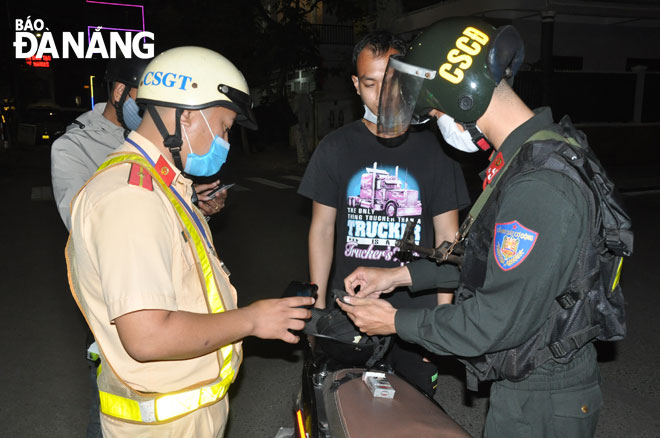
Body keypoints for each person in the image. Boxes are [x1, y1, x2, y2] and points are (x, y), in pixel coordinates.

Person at [338, 17, 628, 437]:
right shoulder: (531, 154)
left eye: (435, 111)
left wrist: (395, 322)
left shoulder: (538, 186)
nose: (438, 123)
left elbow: (493, 322)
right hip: (530, 377)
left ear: (464, 101)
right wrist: (397, 276)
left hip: (541, 395)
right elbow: (485, 260)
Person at [65, 46, 314, 437]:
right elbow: (147, 336)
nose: (226, 141)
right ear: (186, 114)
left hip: (181, 416)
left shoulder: (162, 184)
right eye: (224, 125)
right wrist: (253, 319)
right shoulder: (131, 198)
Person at [298, 30, 469, 396]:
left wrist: (438, 327)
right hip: (350, 312)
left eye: (392, 82)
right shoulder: (335, 148)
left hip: (414, 318)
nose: (383, 95)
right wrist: (320, 310)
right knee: (347, 412)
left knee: (414, 419)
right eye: (371, 84)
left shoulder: (438, 150)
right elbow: (322, 230)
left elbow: (447, 241)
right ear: (356, 85)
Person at [51, 58, 226, 232]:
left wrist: (190, 201)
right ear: (120, 92)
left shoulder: (159, 138)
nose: (154, 107)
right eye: (145, 99)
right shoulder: (72, 147)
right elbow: (84, 226)